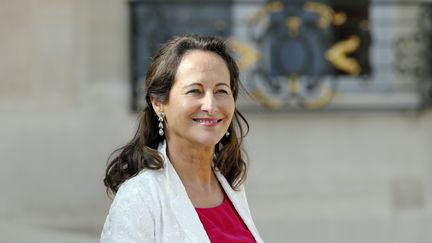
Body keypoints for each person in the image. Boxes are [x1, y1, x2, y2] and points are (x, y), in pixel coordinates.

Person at [101, 35, 264, 243]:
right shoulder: (139, 198)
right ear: (158, 103)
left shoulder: (232, 186)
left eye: (221, 91)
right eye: (195, 91)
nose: (210, 106)